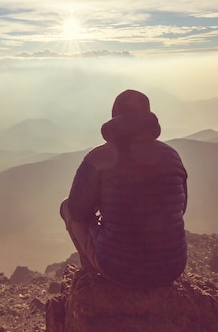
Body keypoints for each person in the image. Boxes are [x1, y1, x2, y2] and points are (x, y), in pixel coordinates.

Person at [60, 89, 188, 287]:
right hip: (171, 269)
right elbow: (181, 208)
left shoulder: (99, 157)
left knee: (66, 207)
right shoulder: (172, 156)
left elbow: (77, 211)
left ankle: (91, 272)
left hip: (119, 270)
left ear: (114, 118)